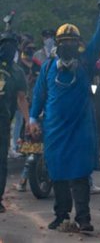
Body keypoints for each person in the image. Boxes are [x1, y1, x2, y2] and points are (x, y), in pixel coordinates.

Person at [28, 1, 100, 232]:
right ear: (57, 44)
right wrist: (33, 118)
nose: (68, 46)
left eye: (72, 42)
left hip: (81, 129)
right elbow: (39, 95)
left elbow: (99, 39)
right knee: (58, 172)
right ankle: (61, 216)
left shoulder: (85, 62)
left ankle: (84, 219)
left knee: (80, 173)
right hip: (54, 129)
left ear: (79, 45)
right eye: (64, 43)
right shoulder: (47, 68)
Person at [0, 32, 29, 213]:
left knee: (1, 161)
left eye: (11, 45)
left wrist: (28, 121)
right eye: (5, 44)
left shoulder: (17, 71)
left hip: (3, 121)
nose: (8, 48)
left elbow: (21, 98)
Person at [14, 39, 42, 192]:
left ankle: (24, 180)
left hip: (39, 109)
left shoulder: (38, 66)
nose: (31, 51)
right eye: (28, 49)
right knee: (29, 144)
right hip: (27, 108)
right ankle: (24, 179)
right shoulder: (19, 67)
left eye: (33, 48)